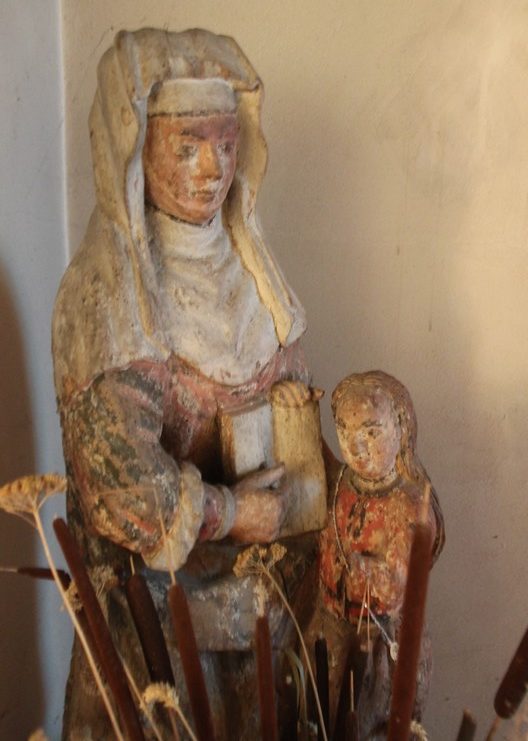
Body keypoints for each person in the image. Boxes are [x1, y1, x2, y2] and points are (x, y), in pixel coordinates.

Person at [52, 28, 314, 739]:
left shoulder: (258, 277)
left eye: (226, 145)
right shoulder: (111, 297)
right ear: (138, 149)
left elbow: (300, 428)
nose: (212, 169)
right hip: (154, 624)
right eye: (188, 146)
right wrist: (230, 512)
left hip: (262, 611)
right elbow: (122, 486)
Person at [305, 371, 444, 738]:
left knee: (368, 725)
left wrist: (365, 570)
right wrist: (303, 412)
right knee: (316, 716)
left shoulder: (408, 506)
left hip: (380, 641)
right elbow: (313, 457)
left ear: (401, 428)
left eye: (371, 432)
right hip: (329, 623)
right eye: (344, 431)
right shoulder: (340, 481)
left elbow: (398, 585)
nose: (356, 448)